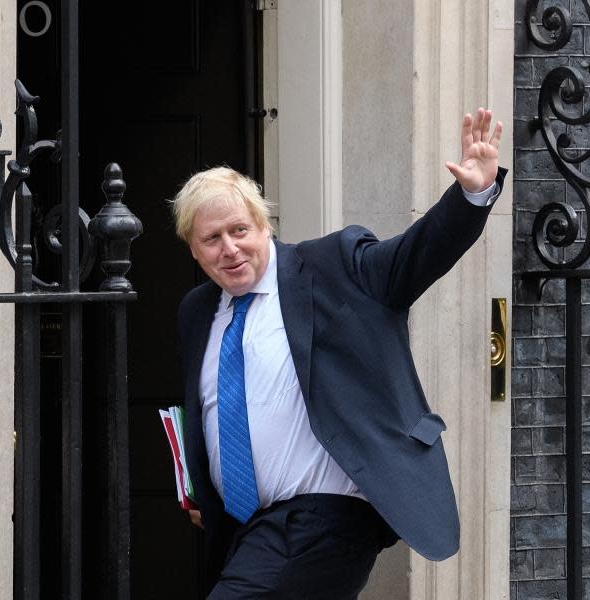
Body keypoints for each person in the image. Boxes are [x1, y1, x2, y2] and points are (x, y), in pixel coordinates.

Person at [172, 108, 506, 599]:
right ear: (194, 251)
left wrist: (471, 195)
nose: (229, 248)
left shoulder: (334, 266)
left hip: (327, 514)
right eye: (212, 239)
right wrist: (201, 482)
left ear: (264, 226)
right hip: (246, 529)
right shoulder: (198, 311)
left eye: (239, 230)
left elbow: (415, 257)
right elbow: (206, 408)